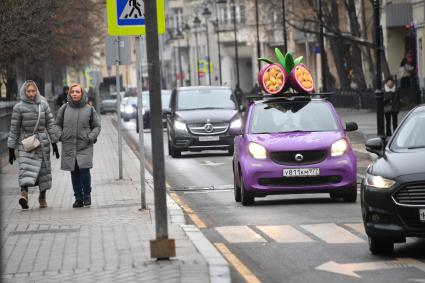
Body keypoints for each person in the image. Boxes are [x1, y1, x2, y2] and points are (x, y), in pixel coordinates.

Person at [7, 80, 60, 209]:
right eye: (28, 91)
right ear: (24, 92)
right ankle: (24, 194)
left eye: (33, 91)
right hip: (27, 143)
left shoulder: (44, 105)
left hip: (42, 143)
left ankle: (42, 197)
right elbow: (14, 129)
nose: (31, 93)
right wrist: (11, 148)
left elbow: (50, 124)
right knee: (25, 168)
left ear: (36, 91)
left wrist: (54, 143)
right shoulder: (18, 107)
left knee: (44, 171)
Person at [56, 83, 101, 208]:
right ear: (69, 93)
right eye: (72, 92)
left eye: (77, 92)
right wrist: (60, 135)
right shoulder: (64, 109)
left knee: (84, 170)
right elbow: (57, 125)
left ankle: (87, 196)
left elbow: (97, 126)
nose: (75, 94)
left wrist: (91, 137)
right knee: (74, 172)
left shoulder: (89, 109)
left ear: (82, 93)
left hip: (84, 145)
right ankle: (78, 198)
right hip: (69, 146)